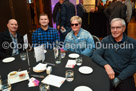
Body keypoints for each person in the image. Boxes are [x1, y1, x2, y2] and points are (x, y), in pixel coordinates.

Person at [92, 18, 136, 91]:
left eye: (118, 27)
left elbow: (134, 64)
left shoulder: (133, 43)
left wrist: (119, 78)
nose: (115, 30)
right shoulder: (105, 40)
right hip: (107, 73)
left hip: (124, 75)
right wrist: (107, 65)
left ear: (124, 28)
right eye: (112, 28)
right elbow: (95, 55)